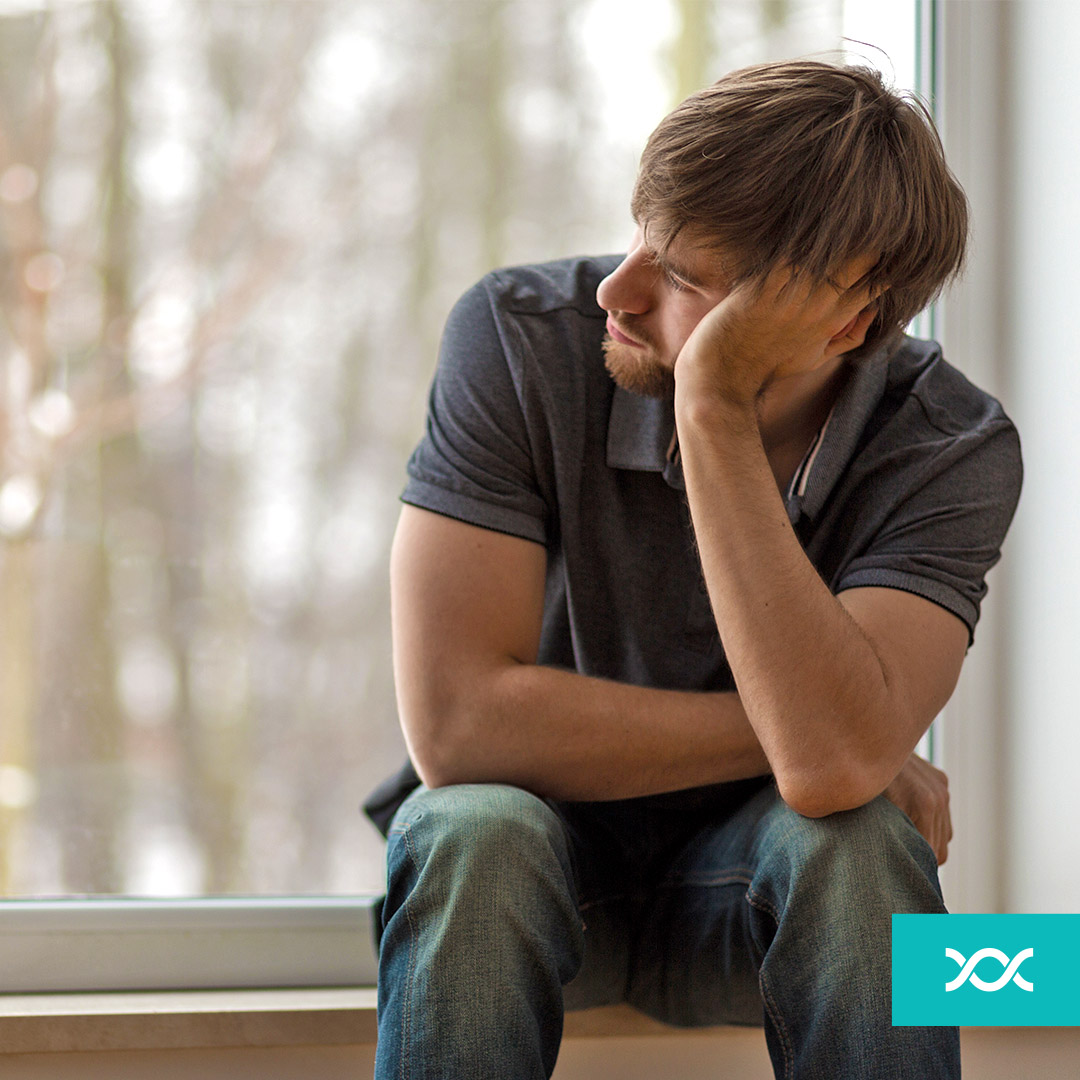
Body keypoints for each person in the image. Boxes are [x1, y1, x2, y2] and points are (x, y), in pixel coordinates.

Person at [365, 59, 1022, 1079]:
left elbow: (830, 778)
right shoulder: (513, 336)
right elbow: (458, 728)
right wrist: (829, 738)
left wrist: (710, 403)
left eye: (684, 277)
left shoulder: (950, 446)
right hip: (529, 890)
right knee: (471, 827)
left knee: (855, 845)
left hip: (760, 903)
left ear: (843, 321)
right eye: (640, 238)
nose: (617, 291)